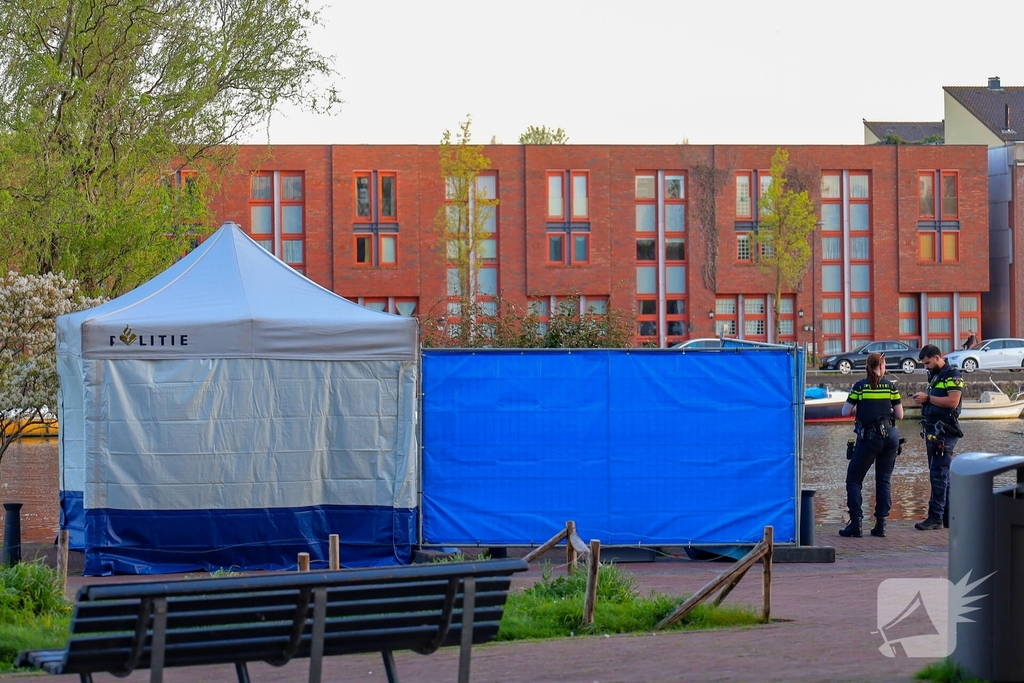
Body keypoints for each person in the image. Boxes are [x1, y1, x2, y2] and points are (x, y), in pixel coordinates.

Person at [839, 352, 904, 538]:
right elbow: (899, 415)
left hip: (869, 438)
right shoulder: (891, 387)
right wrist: (886, 409)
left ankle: (856, 524)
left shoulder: (860, 386)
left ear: (867, 366)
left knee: (854, 480)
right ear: (882, 366)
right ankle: (881, 525)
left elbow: (845, 411)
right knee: (883, 480)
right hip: (890, 437)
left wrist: (864, 407)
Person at [912, 345, 964, 531]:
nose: (925, 366)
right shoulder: (934, 376)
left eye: (927, 362)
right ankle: (948, 517)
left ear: (936, 357)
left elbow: (952, 402)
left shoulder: (952, 375)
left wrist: (927, 398)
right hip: (933, 429)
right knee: (942, 475)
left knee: (938, 473)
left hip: (945, 430)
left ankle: (935, 517)